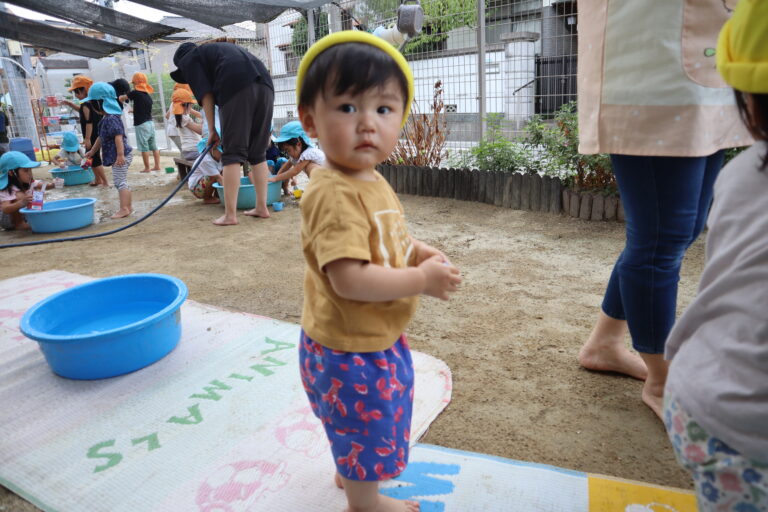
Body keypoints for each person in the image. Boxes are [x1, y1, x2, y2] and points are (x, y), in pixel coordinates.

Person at [296, 31, 462, 512]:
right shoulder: (335, 193)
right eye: (348, 107)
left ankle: (351, 472)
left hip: (367, 336)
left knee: (358, 424)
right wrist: (421, 280)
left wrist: (419, 253)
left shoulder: (369, 178)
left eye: (384, 109)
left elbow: (389, 238)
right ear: (310, 120)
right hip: (351, 348)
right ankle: (365, 503)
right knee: (367, 425)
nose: (368, 123)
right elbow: (350, 279)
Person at [575, 0, 752, 419]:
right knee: (661, 240)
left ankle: (604, 343)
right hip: (654, 62)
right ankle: (662, 379)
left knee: (679, 230)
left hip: (709, 58)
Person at [663, 2, 768, 509]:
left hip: (697, 395)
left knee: (664, 241)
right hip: (740, 425)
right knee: (659, 243)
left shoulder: (742, 172)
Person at [170, 40, 274, 226]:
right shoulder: (218, 52)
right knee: (258, 153)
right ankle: (261, 207)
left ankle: (230, 215)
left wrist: (211, 130)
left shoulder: (191, 59)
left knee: (232, 153)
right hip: (265, 85)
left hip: (237, 86)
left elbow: (206, 95)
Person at [83, 82, 133, 219]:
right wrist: (92, 151)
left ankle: (124, 208)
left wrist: (120, 155)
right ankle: (128, 207)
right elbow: (101, 137)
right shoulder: (106, 119)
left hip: (121, 155)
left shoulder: (110, 119)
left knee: (119, 182)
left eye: (92, 103)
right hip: (120, 155)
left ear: (99, 103)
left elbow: (118, 136)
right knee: (121, 181)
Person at [61, 75, 108, 186]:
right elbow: (83, 112)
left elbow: (89, 122)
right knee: (91, 157)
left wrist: (87, 139)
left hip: (91, 136)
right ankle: (98, 179)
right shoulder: (93, 102)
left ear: (84, 90)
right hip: (97, 133)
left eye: (76, 92)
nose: (76, 95)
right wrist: (70, 104)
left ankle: (105, 182)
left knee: (95, 159)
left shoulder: (86, 104)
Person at [270, 120, 325, 196]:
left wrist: (275, 178)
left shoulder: (308, 153)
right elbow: (286, 167)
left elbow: (295, 171)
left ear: (298, 144)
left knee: (310, 167)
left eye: (288, 150)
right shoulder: (295, 155)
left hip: (331, 177)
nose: (288, 153)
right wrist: (278, 175)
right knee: (309, 168)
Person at [119, 72, 160, 173]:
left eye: (133, 83)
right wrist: (134, 110)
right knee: (154, 146)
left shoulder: (135, 93)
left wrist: (119, 97)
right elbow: (144, 109)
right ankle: (157, 166)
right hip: (150, 123)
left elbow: (122, 98)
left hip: (141, 124)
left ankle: (147, 168)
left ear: (135, 83)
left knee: (144, 147)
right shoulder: (148, 96)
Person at [0, 151, 44, 230]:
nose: (30, 174)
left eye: (30, 170)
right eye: (26, 171)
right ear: (11, 173)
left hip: (23, 215)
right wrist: (21, 202)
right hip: (8, 219)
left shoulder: (28, 182)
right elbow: (5, 208)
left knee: (35, 191)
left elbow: (42, 185)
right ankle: (19, 224)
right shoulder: (6, 189)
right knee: (20, 196)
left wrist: (54, 184)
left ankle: (30, 219)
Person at [170, 87, 202, 161]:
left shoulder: (178, 114)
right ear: (185, 105)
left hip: (188, 150)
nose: (192, 106)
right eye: (191, 104)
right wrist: (205, 122)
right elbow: (201, 131)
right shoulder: (183, 118)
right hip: (193, 150)